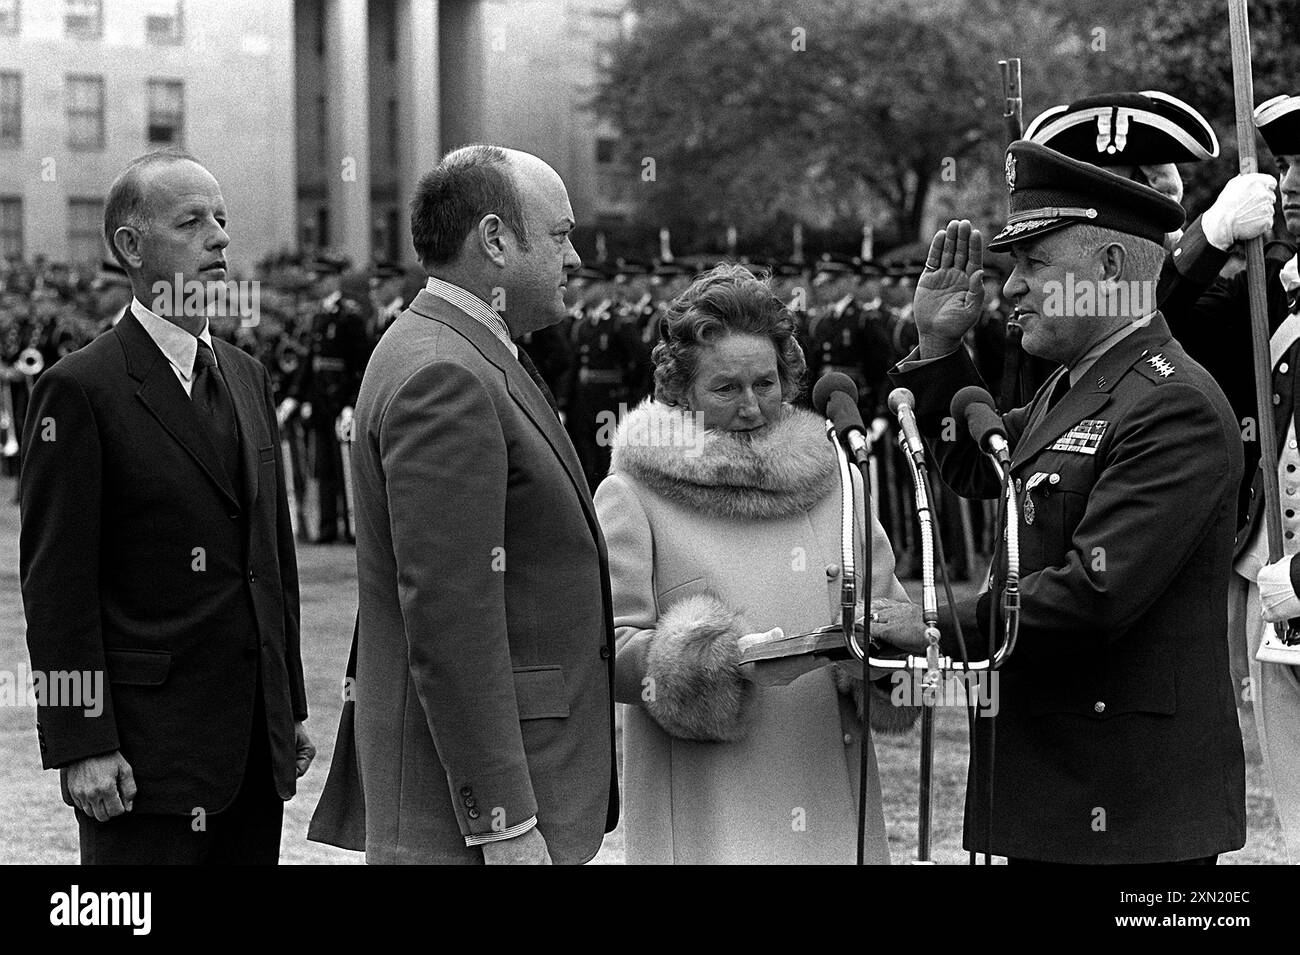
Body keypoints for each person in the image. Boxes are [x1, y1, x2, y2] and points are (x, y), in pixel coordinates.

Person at [890, 142, 1246, 864]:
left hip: (1128, 807)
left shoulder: (1171, 401)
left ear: (1109, 271)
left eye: (1034, 264)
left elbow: (1094, 593)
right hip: (1059, 782)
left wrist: (931, 620)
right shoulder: (1077, 382)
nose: (1012, 287)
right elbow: (974, 460)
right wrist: (936, 343)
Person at [307, 145, 618, 865]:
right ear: (495, 239)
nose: (575, 257)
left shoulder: (461, 346)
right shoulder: (446, 370)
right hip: (468, 821)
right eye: (562, 234)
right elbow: (451, 617)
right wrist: (501, 818)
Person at [19, 148, 313, 864]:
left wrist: (289, 702)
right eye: (191, 222)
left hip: (250, 752)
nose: (219, 237)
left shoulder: (246, 375)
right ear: (131, 245)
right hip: (145, 764)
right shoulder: (81, 389)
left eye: (222, 219)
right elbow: (57, 588)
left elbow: (269, 556)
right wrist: (84, 740)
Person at [595, 262, 925, 864]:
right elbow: (603, 647)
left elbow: (895, 626)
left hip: (830, 787)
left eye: (766, 384)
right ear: (680, 391)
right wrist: (715, 660)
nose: (752, 407)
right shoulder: (632, 493)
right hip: (708, 807)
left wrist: (885, 653)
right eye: (725, 389)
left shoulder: (838, 483)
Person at [1157, 92, 1300, 861]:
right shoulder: (1266, 299)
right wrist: (1208, 236)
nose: (1296, 182)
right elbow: (1147, 322)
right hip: (1266, 584)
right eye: (1290, 163)